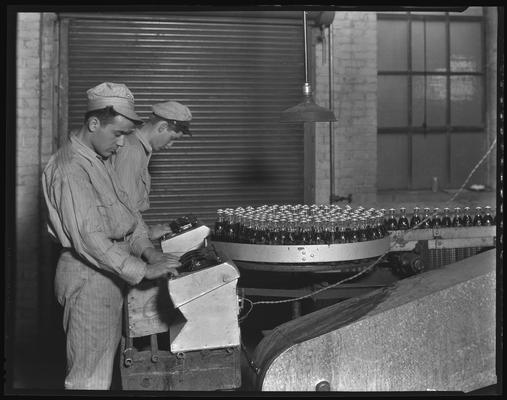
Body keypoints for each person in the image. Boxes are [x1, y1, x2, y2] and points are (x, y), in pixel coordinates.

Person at [42, 82, 180, 390]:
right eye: (117, 134)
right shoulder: (69, 169)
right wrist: (143, 269)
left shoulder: (98, 161)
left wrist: (150, 252)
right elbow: (91, 239)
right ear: (93, 124)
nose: (121, 145)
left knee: (103, 372)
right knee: (88, 380)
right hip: (90, 278)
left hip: (106, 276)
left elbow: (127, 218)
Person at [111, 101, 192, 240]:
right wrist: (147, 234)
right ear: (162, 127)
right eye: (172, 138)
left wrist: (146, 229)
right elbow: (123, 209)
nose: (170, 145)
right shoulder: (132, 151)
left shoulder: (139, 148)